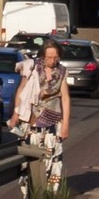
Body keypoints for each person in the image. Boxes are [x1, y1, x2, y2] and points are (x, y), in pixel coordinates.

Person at [26, 40, 72, 186]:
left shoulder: (62, 71)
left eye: (56, 57)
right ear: (42, 56)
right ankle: (34, 191)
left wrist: (65, 124)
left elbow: (65, 97)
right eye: (49, 57)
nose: (53, 61)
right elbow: (23, 93)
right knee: (33, 159)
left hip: (54, 123)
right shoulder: (33, 69)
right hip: (33, 122)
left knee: (53, 159)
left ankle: (50, 195)